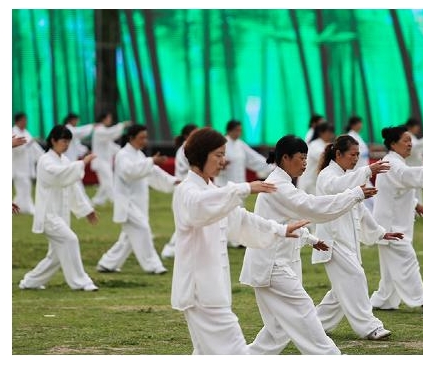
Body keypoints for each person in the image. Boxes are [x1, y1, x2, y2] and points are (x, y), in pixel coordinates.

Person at [170, 127, 311, 354]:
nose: (223, 161)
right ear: (201, 155)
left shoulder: (212, 190)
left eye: (223, 154)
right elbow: (199, 208)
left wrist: (280, 229)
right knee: (235, 351)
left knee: (206, 354)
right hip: (201, 291)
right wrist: (245, 188)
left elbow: (241, 220)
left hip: (210, 289)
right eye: (218, 155)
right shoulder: (187, 191)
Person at [242, 135, 378, 355]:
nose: (305, 163)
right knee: (304, 312)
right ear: (285, 158)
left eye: (306, 157)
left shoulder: (281, 184)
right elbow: (313, 207)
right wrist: (355, 194)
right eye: (301, 157)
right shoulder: (278, 186)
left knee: (278, 330)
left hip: (272, 265)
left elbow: (287, 222)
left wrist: (312, 239)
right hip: (272, 266)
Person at [313, 134, 402, 340]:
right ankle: (370, 327)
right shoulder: (327, 175)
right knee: (355, 277)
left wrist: (381, 232)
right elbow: (337, 187)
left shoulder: (347, 178)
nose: (355, 159)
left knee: (340, 292)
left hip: (347, 241)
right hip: (332, 242)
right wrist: (367, 170)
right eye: (352, 154)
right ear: (338, 154)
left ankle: (312, 325)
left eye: (358, 155)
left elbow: (360, 211)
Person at [370, 126, 423, 314]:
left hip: (390, 223)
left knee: (389, 269)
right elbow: (406, 177)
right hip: (390, 226)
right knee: (407, 260)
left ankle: (382, 299)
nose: (410, 144)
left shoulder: (395, 162)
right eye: (405, 140)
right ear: (393, 144)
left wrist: (416, 204)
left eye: (411, 140)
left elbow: (399, 188)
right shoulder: (392, 163)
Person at [18, 125, 101, 291]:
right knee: (70, 240)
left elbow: (73, 187)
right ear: (53, 141)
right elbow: (59, 175)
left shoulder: (64, 161)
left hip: (61, 216)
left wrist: (87, 210)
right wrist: (81, 164)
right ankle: (81, 282)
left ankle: (29, 282)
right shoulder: (45, 161)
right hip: (48, 216)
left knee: (55, 256)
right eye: (64, 141)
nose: (66, 145)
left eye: (68, 141)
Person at [96, 124, 180, 274]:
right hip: (126, 203)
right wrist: (151, 162)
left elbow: (153, 173)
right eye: (141, 138)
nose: (144, 141)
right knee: (143, 229)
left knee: (128, 238)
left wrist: (173, 181)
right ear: (131, 138)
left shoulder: (139, 155)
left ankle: (107, 263)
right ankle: (154, 265)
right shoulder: (123, 155)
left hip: (138, 204)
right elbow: (130, 172)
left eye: (145, 137)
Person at [161, 123, 198, 259]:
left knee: (190, 220)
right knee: (185, 220)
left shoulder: (189, 148)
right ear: (187, 135)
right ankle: (170, 249)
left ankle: (180, 249)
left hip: (187, 188)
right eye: (195, 133)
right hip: (184, 188)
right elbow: (194, 166)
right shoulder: (186, 149)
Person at [214, 119, 274, 187]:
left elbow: (254, 158)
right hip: (224, 184)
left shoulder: (240, 144)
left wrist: (271, 166)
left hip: (239, 184)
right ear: (230, 130)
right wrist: (221, 165)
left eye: (240, 130)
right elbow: (213, 161)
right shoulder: (221, 143)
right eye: (237, 130)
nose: (239, 133)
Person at [90, 111, 131, 207]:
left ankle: (96, 201)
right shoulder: (99, 130)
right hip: (100, 161)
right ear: (103, 119)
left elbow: (111, 146)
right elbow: (110, 133)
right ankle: (117, 201)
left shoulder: (103, 132)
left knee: (105, 183)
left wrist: (124, 152)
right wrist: (121, 125)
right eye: (109, 118)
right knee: (109, 181)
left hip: (105, 161)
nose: (110, 120)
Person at [12, 113, 44, 215]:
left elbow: (34, 147)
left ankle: (23, 207)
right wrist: (30, 142)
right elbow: (16, 149)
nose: (25, 122)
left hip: (27, 166)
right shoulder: (13, 132)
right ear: (18, 121)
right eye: (23, 120)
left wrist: (43, 156)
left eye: (26, 120)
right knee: (23, 188)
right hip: (18, 166)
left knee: (26, 188)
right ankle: (25, 207)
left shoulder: (26, 132)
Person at [297, 121, 335, 195]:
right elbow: (324, 156)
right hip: (309, 182)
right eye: (329, 132)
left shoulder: (325, 144)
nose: (331, 135)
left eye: (332, 132)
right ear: (321, 133)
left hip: (315, 182)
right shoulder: (315, 145)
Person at [405, 117, 423, 205]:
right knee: (411, 188)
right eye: (416, 127)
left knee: (416, 188)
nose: (417, 129)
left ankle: (417, 208)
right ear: (411, 127)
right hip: (410, 166)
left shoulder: (412, 137)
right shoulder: (407, 136)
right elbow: (414, 148)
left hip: (414, 166)